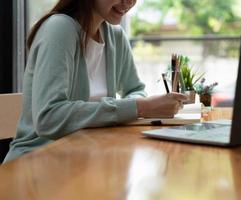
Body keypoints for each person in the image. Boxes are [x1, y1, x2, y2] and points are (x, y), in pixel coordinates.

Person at [3, 0, 187, 163]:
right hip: (38, 161)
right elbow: (49, 118)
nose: (130, 1)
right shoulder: (59, 28)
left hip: (87, 155)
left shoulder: (115, 35)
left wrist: (137, 104)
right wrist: (140, 107)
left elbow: (136, 90)